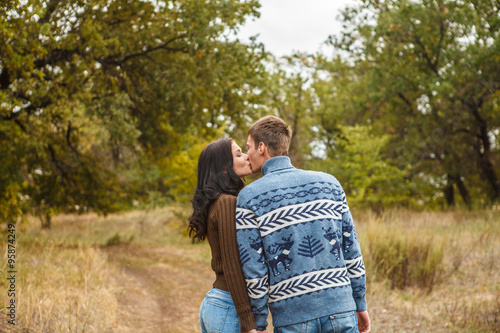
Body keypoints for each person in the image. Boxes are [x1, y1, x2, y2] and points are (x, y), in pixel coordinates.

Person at [236, 116, 371, 333]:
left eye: (248, 147)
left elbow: (254, 269)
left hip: (293, 319)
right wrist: (359, 302)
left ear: (262, 148)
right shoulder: (331, 183)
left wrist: (259, 321)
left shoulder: (249, 197)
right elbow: (351, 250)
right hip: (342, 309)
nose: (247, 154)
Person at [188, 138, 264, 333]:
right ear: (224, 168)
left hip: (220, 304)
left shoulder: (223, 200)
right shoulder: (226, 203)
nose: (247, 156)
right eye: (238, 154)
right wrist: (248, 322)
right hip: (228, 307)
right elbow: (232, 264)